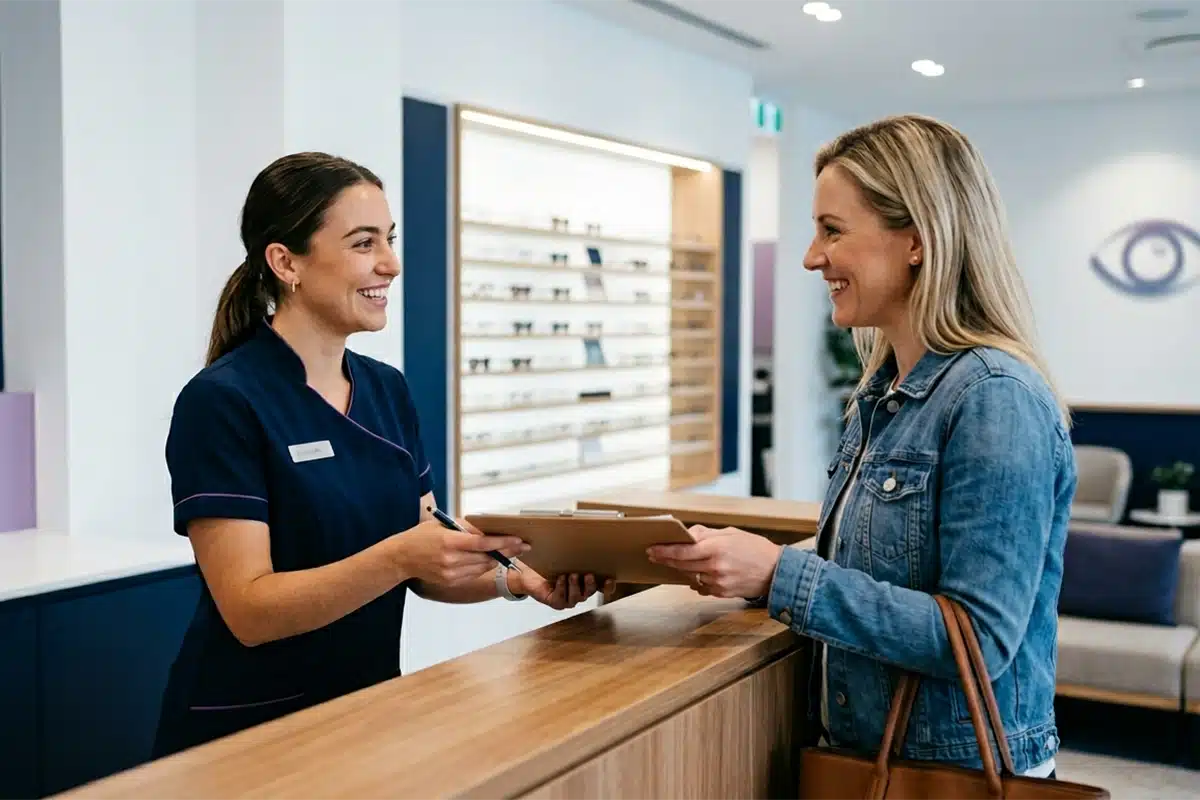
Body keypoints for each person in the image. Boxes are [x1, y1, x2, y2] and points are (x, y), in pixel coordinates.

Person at [648, 115, 1074, 779]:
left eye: (832, 230)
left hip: (950, 777)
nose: (811, 257)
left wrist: (778, 575)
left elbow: (977, 639)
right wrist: (743, 561)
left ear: (915, 240)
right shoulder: (884, 394)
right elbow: (884, 566)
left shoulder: (994, 397)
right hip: (870, 761)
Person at [155, 152, 606, 757]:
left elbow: (426, 554)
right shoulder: (223, 402)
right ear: (285, 261)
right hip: (248, 733)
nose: (390, 264)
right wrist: (398, 557)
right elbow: (249, 609)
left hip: (365, 714)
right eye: (364, 243)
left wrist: (516, 579)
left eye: (388, 240)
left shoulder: (386, 390)